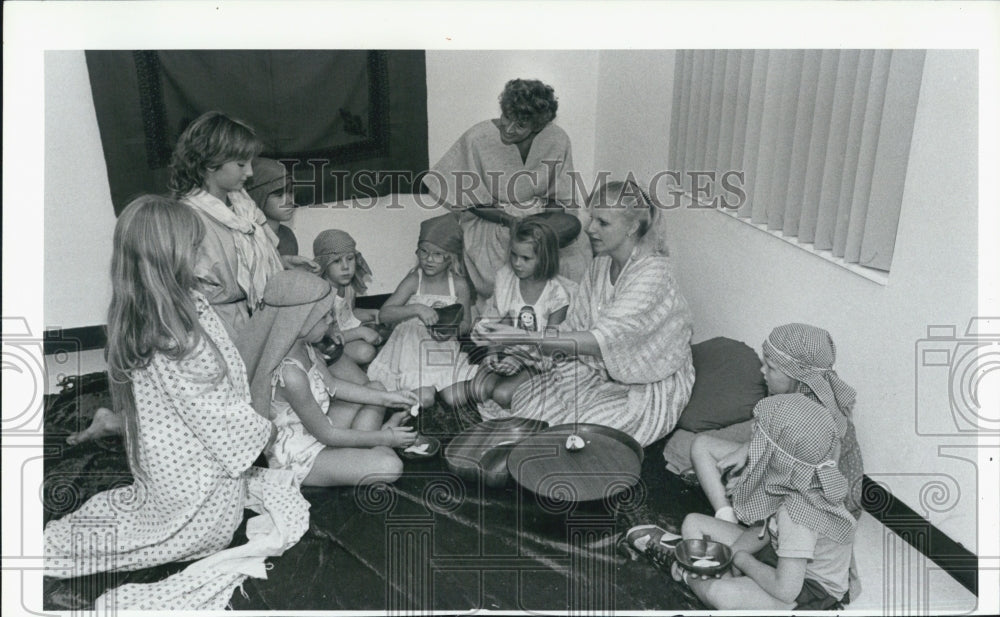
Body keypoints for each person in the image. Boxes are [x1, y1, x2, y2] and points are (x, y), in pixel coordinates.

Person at [46, 196, 309, 609]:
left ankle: (114, 427)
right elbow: (215, 415)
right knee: (197, 534)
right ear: (168, 258)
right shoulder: (177, 335)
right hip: (193, 484)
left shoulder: (156, 309)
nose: (204, 254)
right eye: (195, 247)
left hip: (170, 455)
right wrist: (266, 431)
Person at [474, 180, 694, 447]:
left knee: (578, 436)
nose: (589, 229)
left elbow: (600, 340)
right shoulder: (600, 265)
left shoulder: (653, 274)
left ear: (632, 227)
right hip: (595, 367)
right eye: (591, 219)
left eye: (602, 223)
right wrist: (522, 349)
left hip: (645, 383)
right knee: (527, 408)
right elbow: (573, 327)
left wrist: (521, 336)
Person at [631, 396, 858, 610]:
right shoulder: (790, 482)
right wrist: (728, 556)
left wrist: (740, 559)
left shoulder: (799, 511)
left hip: (807, 589)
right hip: (780, 555)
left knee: (722, 593)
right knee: (693, 523)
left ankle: (682, 570)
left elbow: (786, 590)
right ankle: (706, 570)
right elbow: (766, 530)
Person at [424, 78, 591, 315]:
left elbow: (559, 195)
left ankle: (560, 326)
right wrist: (511, 221)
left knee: (572, 261)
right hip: (494, 219)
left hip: (542, 218)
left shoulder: (557, 139)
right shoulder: (478, 138)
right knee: (507, 271)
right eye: (506, 118)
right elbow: (470, 202)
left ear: (538, 127)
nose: (509, 128)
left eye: (520, 126)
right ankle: (509, 326)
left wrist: (545, 225)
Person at [236, 270, 418, 487]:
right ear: (300, 320)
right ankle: (380, 437)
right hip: (302, 453)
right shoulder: (290, 374)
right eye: (324, 316)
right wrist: (386, 438)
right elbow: (327, 434)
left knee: (377, 388)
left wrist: (388, 398)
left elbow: (333, 385)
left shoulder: (304, 346)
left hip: (317, 427)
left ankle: (368, 443)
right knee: (390, 466)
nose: (331, 320)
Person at [689, 323, 865, 523]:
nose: (762, 371)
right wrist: (748, 449)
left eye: (771, 368)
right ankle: (727, 518)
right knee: (701, 445)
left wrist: (749, 479)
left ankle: (744, 532)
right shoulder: (794, 397)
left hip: (820, 505)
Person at [168, 111, 317, 335]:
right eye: (241, 164)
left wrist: (279, 263)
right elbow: (191, 288)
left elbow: (242, 263)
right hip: (217, 329)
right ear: (211, 163)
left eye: (249, 163)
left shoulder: (241, 203)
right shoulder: (186, 218)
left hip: (254, 318)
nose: (249, 172)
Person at [448, 218, 576, 411]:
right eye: (514, 255)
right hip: (512, 353)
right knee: (478, 390)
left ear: (545, 258)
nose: (517, 263)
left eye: (526, 259)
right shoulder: (509, 283)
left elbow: (552, 342)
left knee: (502, 394)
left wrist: (522, 362)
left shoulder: (557, 295)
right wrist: (494, 353)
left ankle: (524, 389)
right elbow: (504, 322)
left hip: (540, 361)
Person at [366, 213, 478, 408]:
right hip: (411, 348)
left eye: (437, 254)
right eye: (424, 252)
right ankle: (419, 390)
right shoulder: (414, 280)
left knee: (455, 398)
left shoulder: (458, 285)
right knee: (424, 399)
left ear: (451, 257)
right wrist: (416, 309)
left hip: (440, 348)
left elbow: (466, 323)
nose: (428, 259)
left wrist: (450, 330)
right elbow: (384, 314)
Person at [313, 229, 382, 366]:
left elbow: (347, 313)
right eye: (337, 261)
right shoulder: (322, 294)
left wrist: (374, 313)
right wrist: (360, 332)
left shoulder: (348, 286)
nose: (346, 267)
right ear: (324, 264)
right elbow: (325, 336)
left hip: (346, 332)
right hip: (330, 342)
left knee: (385, 325)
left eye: (350, 259)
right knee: (366, 352)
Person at [246, 156, 300, 257]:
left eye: (291, 192)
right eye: (279, 195)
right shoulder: (249, 240)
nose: (289, 200)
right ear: (258, 197)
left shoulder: (288, 236)